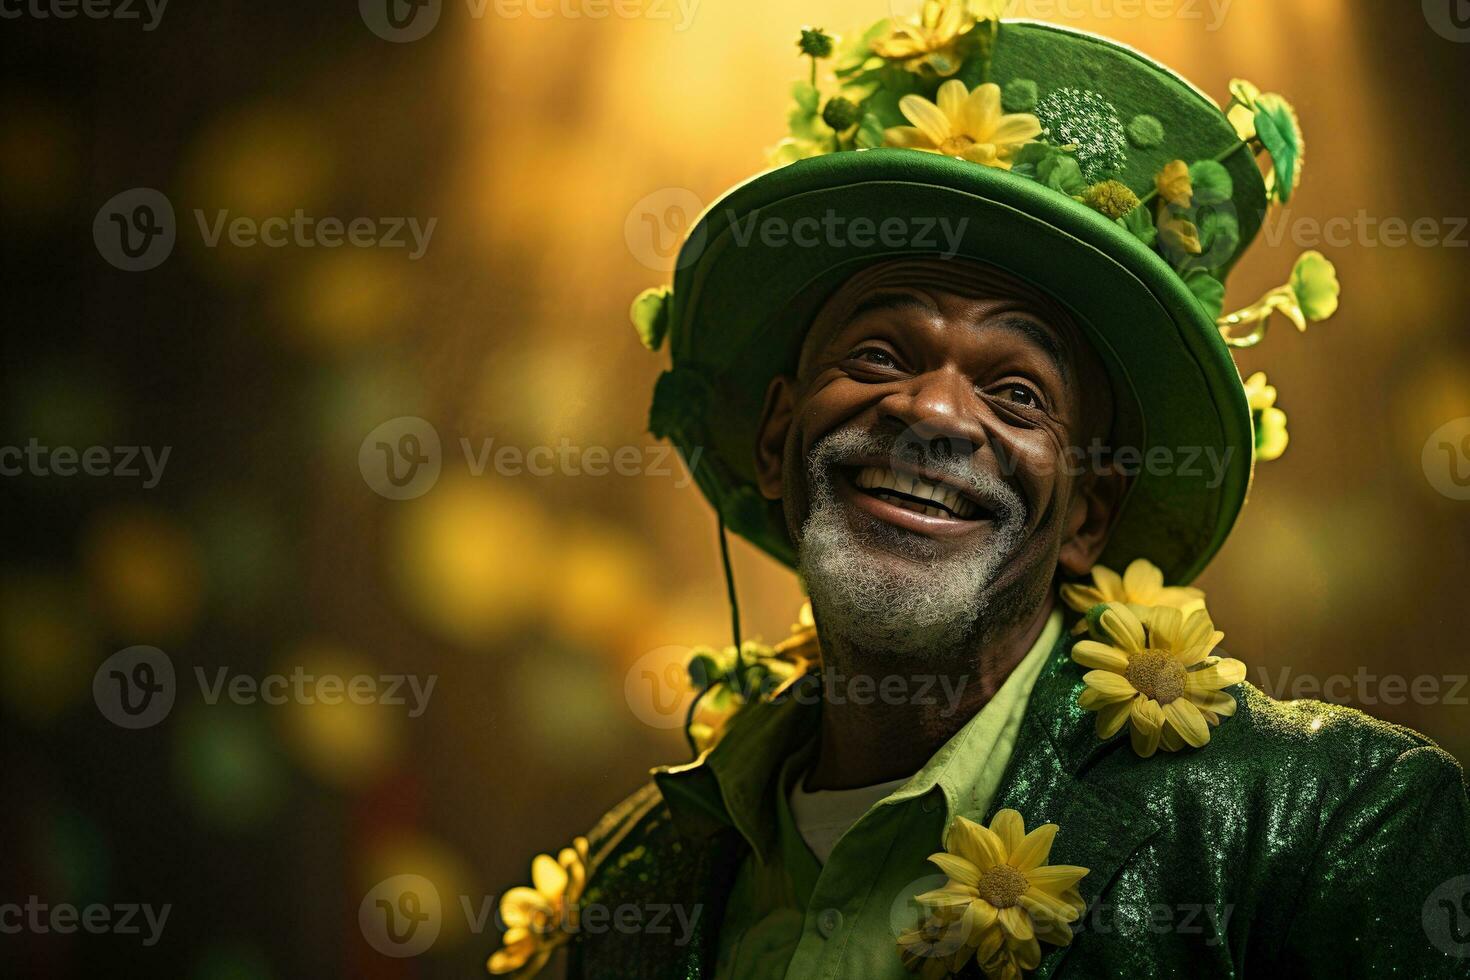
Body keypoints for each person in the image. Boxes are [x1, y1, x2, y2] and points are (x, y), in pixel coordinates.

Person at [488, 8, 1470, 979]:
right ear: (780, 433)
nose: (935, 413)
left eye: (1016, 392)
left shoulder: (1326, 833)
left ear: (1087, 513)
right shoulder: (625, 890)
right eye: (879, 352)